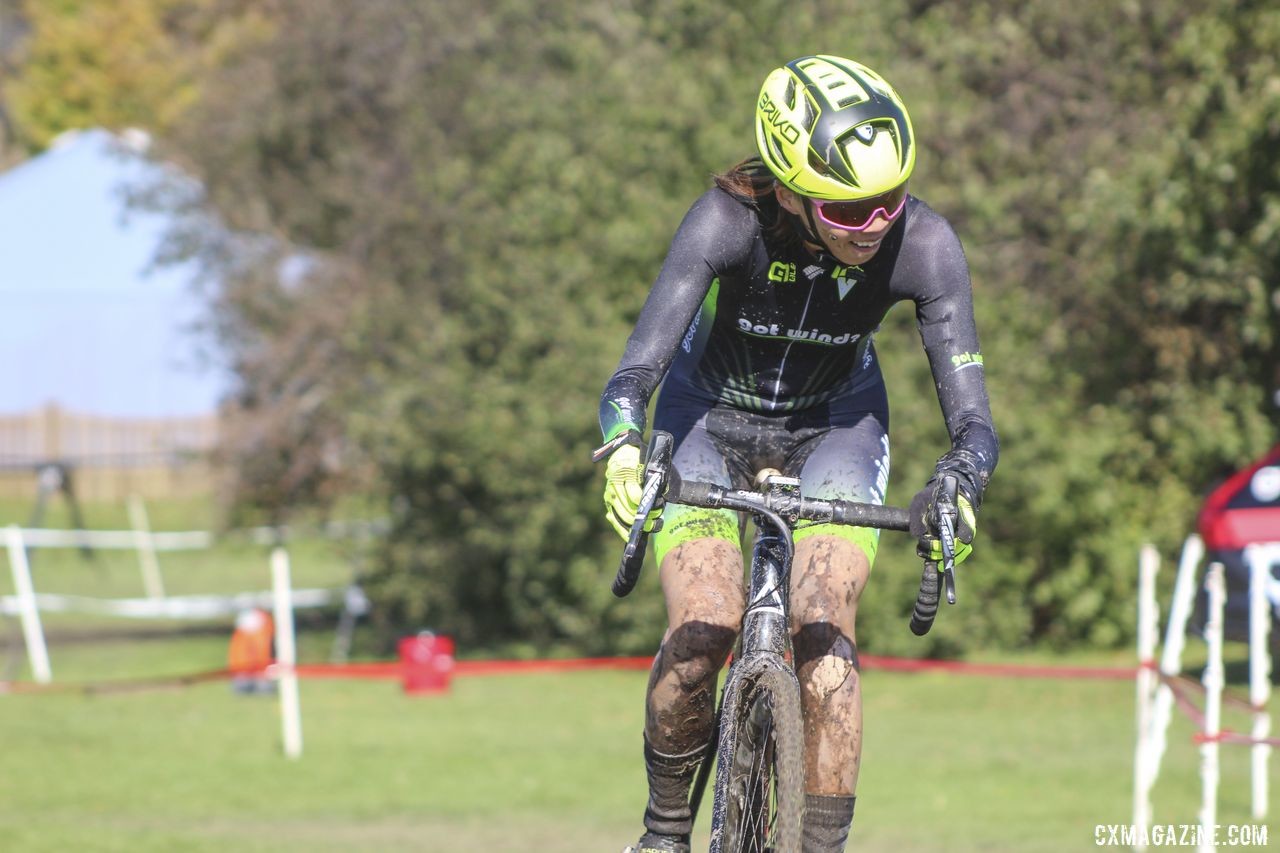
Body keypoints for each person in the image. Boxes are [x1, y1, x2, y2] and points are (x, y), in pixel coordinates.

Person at [596, 55, 998, 853]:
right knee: (707, 621)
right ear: (786, 189)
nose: (876, 222)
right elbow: (634, 373)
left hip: (838, 425)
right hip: (707, 417)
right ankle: (665, 832)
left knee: (825, 636)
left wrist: (960, 483)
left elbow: (975, 427)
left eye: (890, 198)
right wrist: (620, 446)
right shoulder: (724, 221)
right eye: (848, 208)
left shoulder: (925, 244)